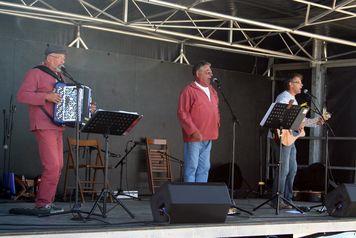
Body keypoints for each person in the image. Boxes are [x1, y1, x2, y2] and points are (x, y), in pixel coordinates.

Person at [17, 45, 68, 214]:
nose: (64, 60)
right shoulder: (36, 72)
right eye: (61, 57)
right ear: (51, 57)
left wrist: (86, 107)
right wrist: (46, 96)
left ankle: (47, 202)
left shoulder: (60, 76)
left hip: (57, 125)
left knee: (58, 165)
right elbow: (22, 95)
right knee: (52, 165)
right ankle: (43, 203)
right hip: (43, 124)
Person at [270, 73, 323, 209]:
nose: (301, 85)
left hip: (290, 139)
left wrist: (316, 122)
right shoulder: (283, 98)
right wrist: (297, 122)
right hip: (282, 137)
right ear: (290, 84)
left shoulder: (293, 99)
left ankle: (287, 199)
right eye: (298, 82)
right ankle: (277, 200)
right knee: (284, 169)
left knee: (292, 169)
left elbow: (300, 121)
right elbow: (281, 118)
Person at [177, 61, 220, 182]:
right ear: (198, 73)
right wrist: (192, 131)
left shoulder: (212, 91)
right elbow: (182, 113)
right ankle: (190, 197)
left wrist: (217, 123)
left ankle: (200, 196)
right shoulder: (189, 90)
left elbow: (216, 110)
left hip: (209, 135)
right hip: (194, 136)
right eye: (207, 72)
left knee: (205, 167)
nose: (210, 75)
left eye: (211, 72)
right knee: (192, 167)